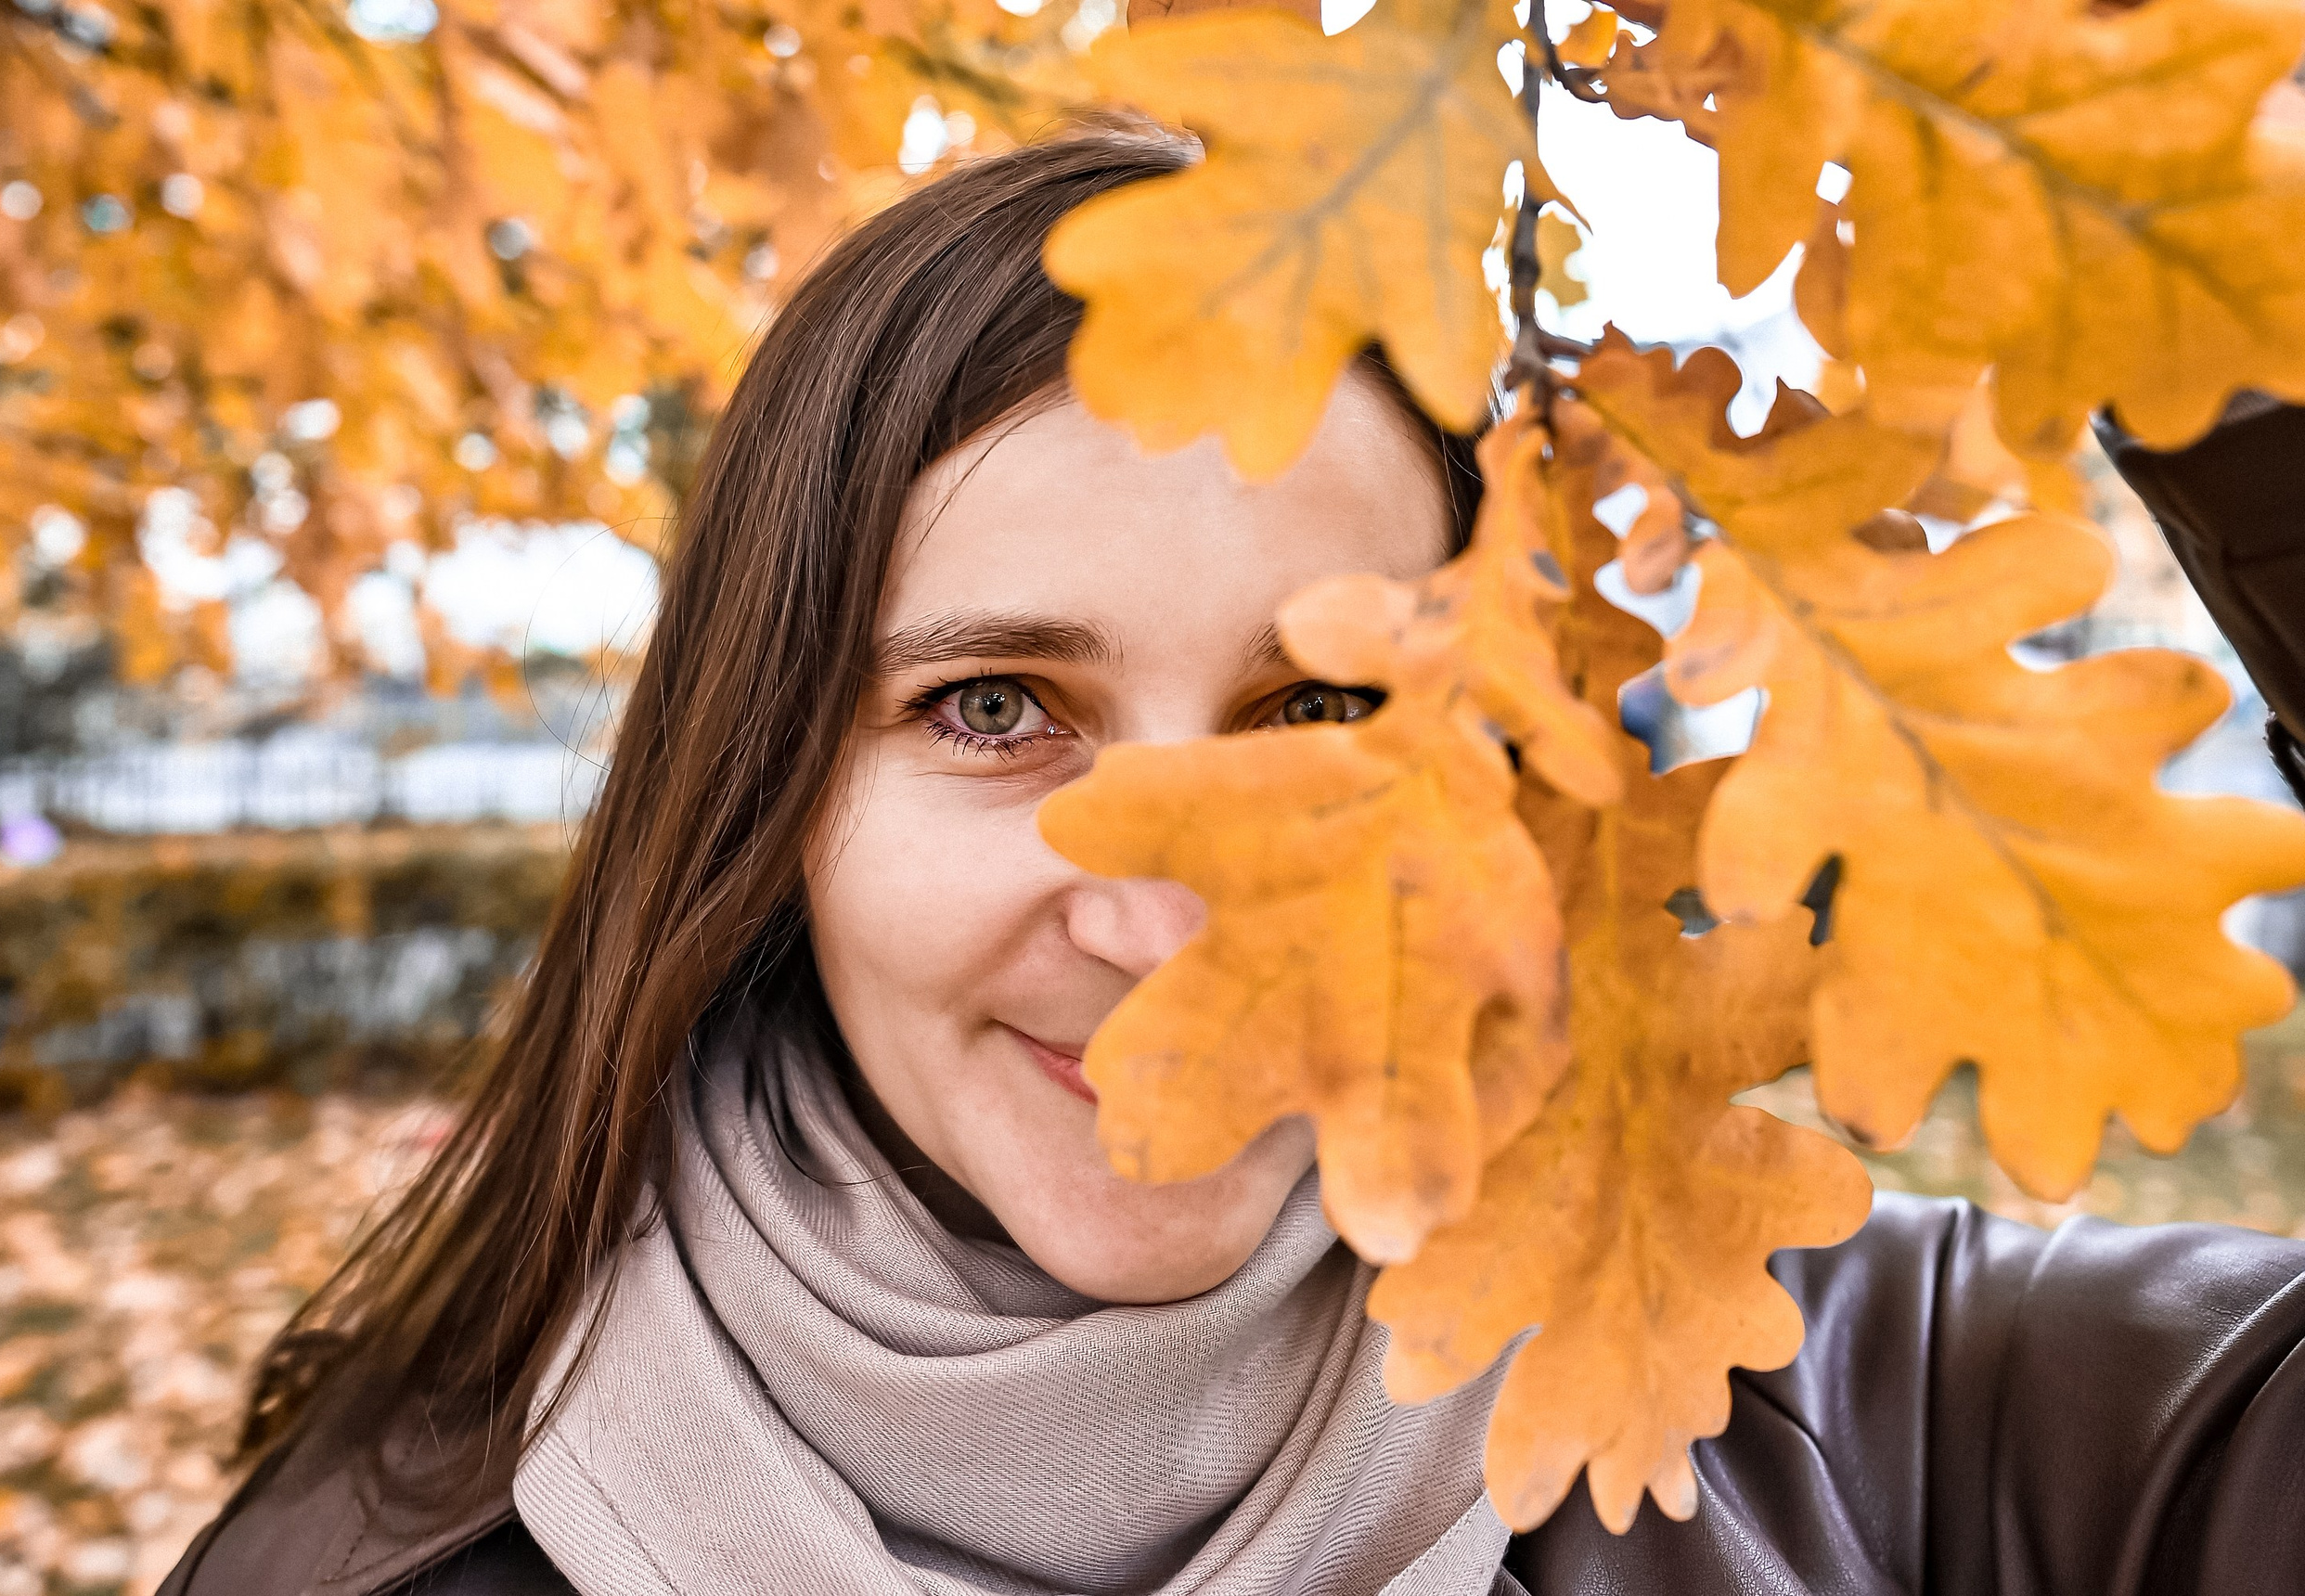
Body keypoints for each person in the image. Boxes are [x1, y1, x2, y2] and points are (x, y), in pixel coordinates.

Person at [161, 134, 2305, 1596]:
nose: (1173, 927)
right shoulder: (362, 1561)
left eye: (1325, 712)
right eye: (991, 705)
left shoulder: (1888, 1420)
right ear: (768, 790)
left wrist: (2200, 226)